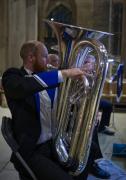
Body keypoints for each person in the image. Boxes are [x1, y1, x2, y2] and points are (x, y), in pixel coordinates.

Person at [2, 41, 110, 180]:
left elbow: (66, 102)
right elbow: (22, 87)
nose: (49, 61)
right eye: (45, 57)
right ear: (31, 57)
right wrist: (63, 73)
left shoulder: (49, 78)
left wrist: (85, 113)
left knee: (85, 161)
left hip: (55, 143)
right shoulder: (13, 75)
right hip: (33, 149)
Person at [47, 53, 111, 179]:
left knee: (90, 125)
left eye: (57, 61)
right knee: (86, 131)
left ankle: (90, 162)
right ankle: (84, 162)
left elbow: (79, 98)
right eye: (53, 61)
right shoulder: (53, 76)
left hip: (72, 111)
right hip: (58, 116)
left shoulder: (74, 76)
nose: (56, 64)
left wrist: (88, 112)